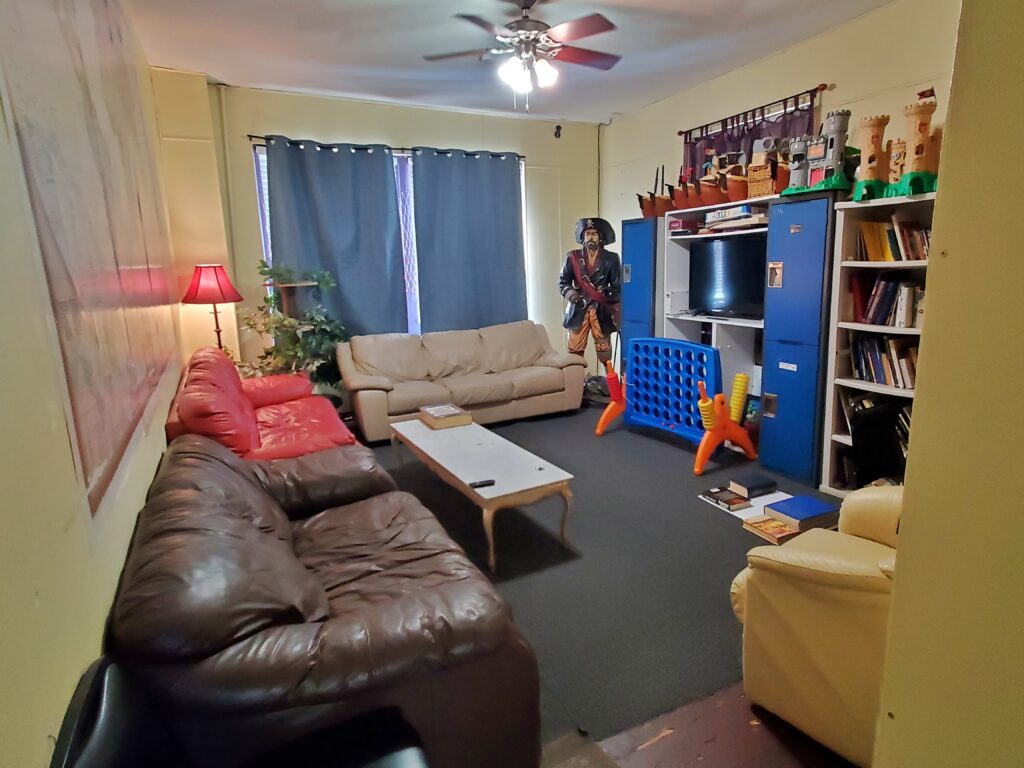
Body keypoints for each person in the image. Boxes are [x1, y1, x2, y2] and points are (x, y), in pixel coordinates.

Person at [559, 217, 621, 364]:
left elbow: (618, 287)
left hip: (600, 310)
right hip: (579, 309)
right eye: (587, 234)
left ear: (600, 237)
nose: (590, 237)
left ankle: (609, 383)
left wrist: (606, 292)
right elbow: (563, 283)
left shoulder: (611, 259)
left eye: (594, 234)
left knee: (604, 352)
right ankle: (576, 382)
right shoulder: (572, 257)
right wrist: (572, 295)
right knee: (574, 351)